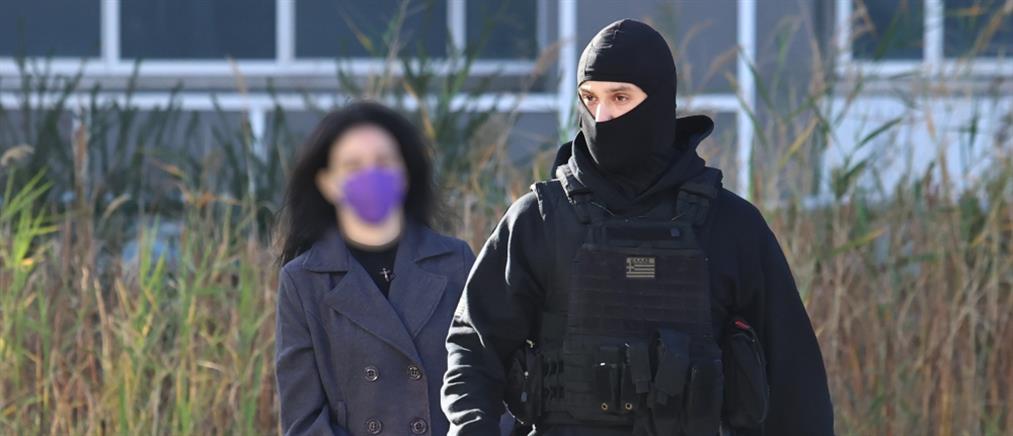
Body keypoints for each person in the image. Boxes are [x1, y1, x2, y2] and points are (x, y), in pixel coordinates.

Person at [442, 19, 834, 436]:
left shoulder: (732, 226)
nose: (601, 116)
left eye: (620, 97)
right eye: (589, 98)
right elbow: (473, 348)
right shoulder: (539, 220)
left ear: (659, 102)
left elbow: (795, 381)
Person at [274, 101, 475, 436]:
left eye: (383, 161)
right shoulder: (303, 280)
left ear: (405, 173)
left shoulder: (456, 261)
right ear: (327, 183)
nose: (371, 175)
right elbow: (303, 420)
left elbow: (490, 385)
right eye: (352, 165)